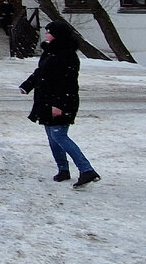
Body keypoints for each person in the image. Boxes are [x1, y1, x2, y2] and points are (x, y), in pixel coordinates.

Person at [19, 19, 100, 187]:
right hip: (46, 100)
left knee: (59, 135)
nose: (46, 34)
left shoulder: (67, 55)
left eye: (49, 32)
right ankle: (63, 169)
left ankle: (87, 170)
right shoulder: (50, 51)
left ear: (58, 35)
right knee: (52, 137)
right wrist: (27, 85)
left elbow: (66, 82)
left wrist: (58, 104)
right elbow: (41, 72)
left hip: (62, 101)